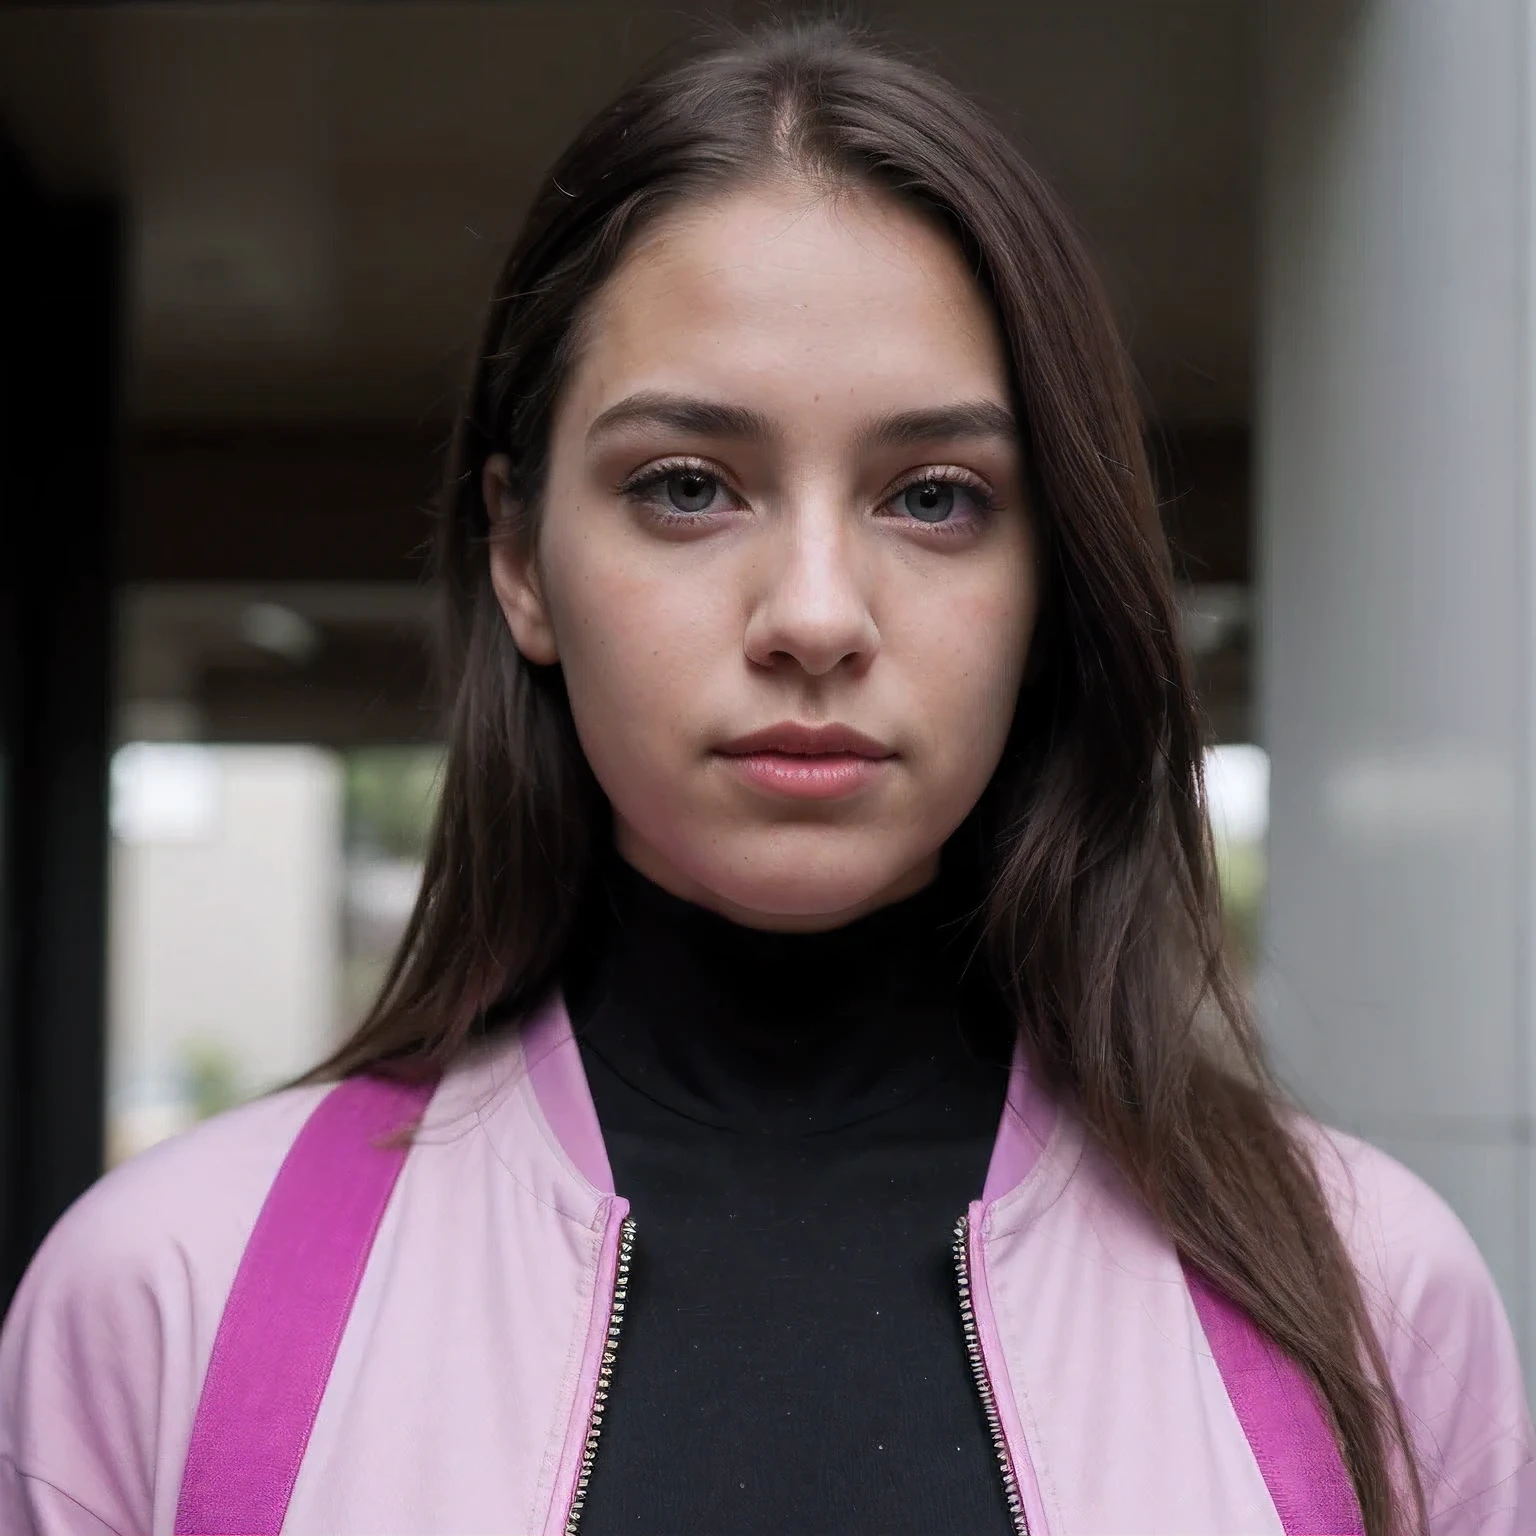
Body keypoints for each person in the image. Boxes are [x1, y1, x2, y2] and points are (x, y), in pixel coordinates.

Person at [2, 18, 1532, 1536]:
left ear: (1053, 574)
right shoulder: (170, 1301)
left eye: (935, 497)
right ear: (521, 557)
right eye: (686, 487)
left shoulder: (1370, 1305)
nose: (814, 613)